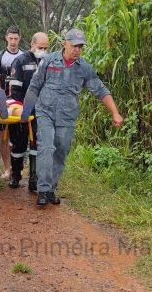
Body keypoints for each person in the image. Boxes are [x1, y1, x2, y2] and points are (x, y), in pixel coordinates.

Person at [21, 29, 124, 206]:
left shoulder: (83, 68)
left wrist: (115, 112)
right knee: (46, 147)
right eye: (74, 45)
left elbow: (100, 90)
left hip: (67, 117)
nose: (77, 50)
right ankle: (43, 189)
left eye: (80, 47)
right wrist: (26, 111)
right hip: (44, 111)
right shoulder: (48, 60)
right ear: (64, 43)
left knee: (61, 151)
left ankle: (51, 189)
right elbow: (35, 85)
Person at [8, 32, 49, 191]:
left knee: (37, 144)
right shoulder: (20, 61)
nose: (43, 50)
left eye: (46, 48)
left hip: (42, 110)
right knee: (18, 143)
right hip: (22, 109)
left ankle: (34, 179)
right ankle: (15, 175)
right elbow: (15, 90)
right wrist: (22, 110)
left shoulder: (48, 61)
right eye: (40, 47)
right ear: (32, 45)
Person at [0, 26, 24, 179]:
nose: (13, 41)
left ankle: (17, 168)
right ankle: (7, 169)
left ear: (20, 39)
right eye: (10, 38)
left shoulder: (24, 56)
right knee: (3, 137)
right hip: (2, 102)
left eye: (15, 39)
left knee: (17, 137)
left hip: (18, 102)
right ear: (6, 38)